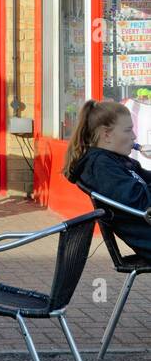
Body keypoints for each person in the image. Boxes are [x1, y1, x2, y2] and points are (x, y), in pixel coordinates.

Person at [63, 99, 151, 256]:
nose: (134, 136)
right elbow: (141, 201)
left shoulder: (117, 160)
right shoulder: (100, 166)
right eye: (128, 130)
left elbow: (146, 179)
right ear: (107, 135)